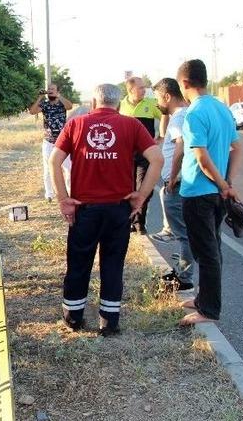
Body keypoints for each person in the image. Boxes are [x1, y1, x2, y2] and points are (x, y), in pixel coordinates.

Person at [49, 83, 164, 336]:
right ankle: (109, 322)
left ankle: (73, 318)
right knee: (113, 264)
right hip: (118, 209)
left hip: (84, 210)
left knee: (78, 263)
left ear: (93, 102)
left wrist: (62, 198)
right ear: (119, 103)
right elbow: (157, 158)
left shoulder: (76, 124)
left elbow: (54, 160)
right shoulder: (131, 125)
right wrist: (141, 195)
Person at [175, 59, 243, 326]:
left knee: (207, 251)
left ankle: (209, 311)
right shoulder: (221, 108)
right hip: (216, 192)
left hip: (198, 193)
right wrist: (227, 183)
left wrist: (224, 184)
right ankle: (204, 299)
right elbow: (237, 149)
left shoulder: (194, 113)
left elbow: (201, 158)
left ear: (184, 83)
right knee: (212, 246)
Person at [151, 78, 194, 291]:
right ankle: (182, 272)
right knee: (187, 232)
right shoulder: (185, 114)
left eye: (159, 98)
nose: (158, 103)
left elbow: (181, 146)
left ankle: (184, 279)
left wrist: (173, 177)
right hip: (186, 182)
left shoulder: (178, 118)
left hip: (177, 184)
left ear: (167, 96)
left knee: (183, 234)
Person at [119, 76, 163, 234]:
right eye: (141, 88)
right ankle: (128, 221)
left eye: (144, 87)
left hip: (145, 155)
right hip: (125, 156)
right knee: (126, 189)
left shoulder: (150, 104)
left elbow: (166, 114)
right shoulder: (120, 106)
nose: (144, 90)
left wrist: (161, 136)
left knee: (145, 188)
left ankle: (139, 222)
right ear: (130, 90)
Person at [29, 83, 73, 201]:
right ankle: (49, 194)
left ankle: (70, 192)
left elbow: (70, 106)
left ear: (58, 91)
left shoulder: (61, 103)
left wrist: (59, 96)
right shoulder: (45, 104)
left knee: (68, 168)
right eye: (49, 89)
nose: (50, 91)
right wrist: (40, 97)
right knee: (48, 168)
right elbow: (32, 111)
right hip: (48, 141)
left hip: (63, 141)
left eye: (53, 89)